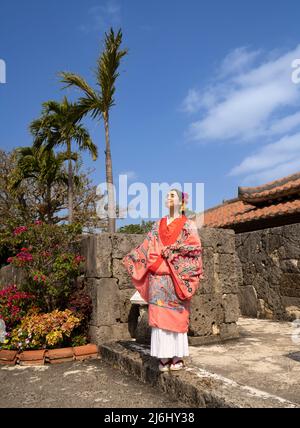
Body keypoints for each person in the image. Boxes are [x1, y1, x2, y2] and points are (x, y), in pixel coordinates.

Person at [122, 189, 204, 372]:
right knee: (160, 316)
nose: (168, 198)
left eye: (172, 196)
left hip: (177, 278)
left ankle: (176, 356)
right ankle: (163, 356)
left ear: (181, 202)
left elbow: (194, 248)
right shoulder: (157, 224)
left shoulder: (188, 224)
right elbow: (148, 246)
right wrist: (137, 258)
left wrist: (173, 253)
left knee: (177, 316)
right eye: (167, 196)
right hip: (158, 278)